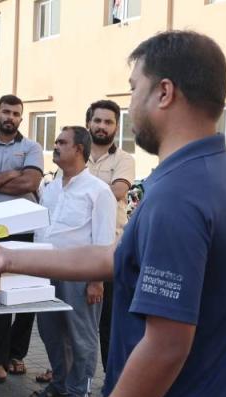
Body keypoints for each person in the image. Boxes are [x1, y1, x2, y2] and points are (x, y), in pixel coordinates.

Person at [0, 31, 226, 397]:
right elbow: (114, 256)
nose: (129, 105)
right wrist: (8, 257)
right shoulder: (216, 171)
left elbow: (166, 346)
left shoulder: (180, 194)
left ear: (164, 93)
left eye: (133, 89)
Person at [29, 126, 115, 397]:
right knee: (51, 333)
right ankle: (60, 384)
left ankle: (80, 393)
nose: (55, 146)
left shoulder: (98, 191)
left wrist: (96, 281)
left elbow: (104, 240)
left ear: (79, 149)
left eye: (62, 142)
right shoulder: (50, 187)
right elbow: (42, 230)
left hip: (81, 276)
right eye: (56, 142)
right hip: (47, 272)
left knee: (81, 336)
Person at [0, 94, 43, 388]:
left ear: (21, 118)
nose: (10, 117)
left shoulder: (32, 147)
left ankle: (17, 354)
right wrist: (12, 173)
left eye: (16, 113)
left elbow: (30, 183)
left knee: (25, 292)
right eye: (6, 112)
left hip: (25, 228)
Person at [85, 99, 136, 373]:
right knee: (74, 318)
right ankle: (68, 376)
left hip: (111, 250)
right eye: (98, 120)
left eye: (108, 122)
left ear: (116, 127)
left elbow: (117, 192)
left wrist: (79, 193)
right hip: (78, 249)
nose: (102, 126)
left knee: (110, 322)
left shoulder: (124, 159)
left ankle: (112, 378)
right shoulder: (77, 155)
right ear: (88, 123)